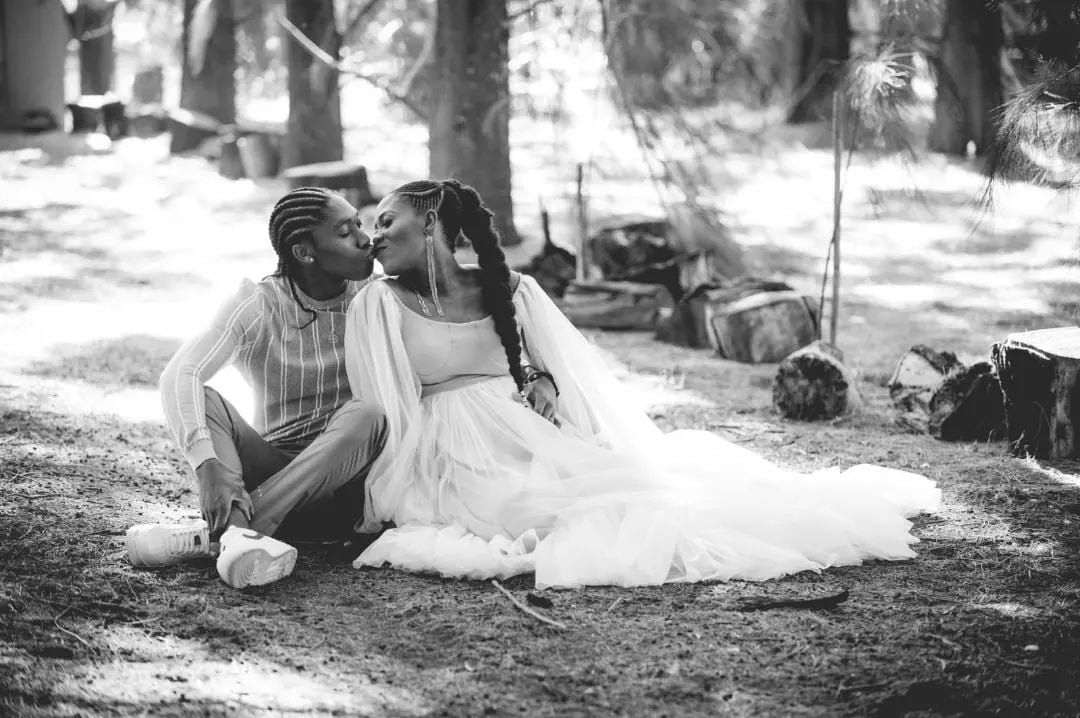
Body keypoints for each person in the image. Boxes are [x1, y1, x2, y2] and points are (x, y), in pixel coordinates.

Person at [343, 179, 942, 589]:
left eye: (385, 220)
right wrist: (397, 480)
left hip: (525, 436)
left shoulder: (514, 290)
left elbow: (558, 369)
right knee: (519, 511)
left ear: (430, 222)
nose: (374, 237)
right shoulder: (379, 301)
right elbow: (384, 404)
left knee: (618, 503)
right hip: (446, 453)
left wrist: (543, 380)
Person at [125, 187, 389, 589]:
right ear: (304, 252)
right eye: (344, 231)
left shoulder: (377, 295)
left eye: (359, 224)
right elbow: (180, 374)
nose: (364, 238)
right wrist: (207, 466)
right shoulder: (259, 303)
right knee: (204, 398)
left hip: (345, 489)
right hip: (270, 469)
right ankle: (240, 536)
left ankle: (226, 536)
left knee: (367, 415)